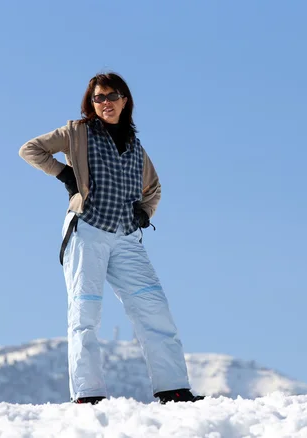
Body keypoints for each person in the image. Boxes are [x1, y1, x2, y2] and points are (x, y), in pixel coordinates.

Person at [19, 72, 203, 405]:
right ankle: (89, 394)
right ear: (91, 104)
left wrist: (145, 213)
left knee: (154, 308)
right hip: (88, 229)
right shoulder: (78, 133)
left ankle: (173, 387)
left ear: (125, 100)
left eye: (111, 96)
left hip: (126, 238)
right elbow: (30, 149)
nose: (105, 103)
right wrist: (64, 174)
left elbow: (155, 188)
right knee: (85, 312)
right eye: (98, 98)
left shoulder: (135, 146)